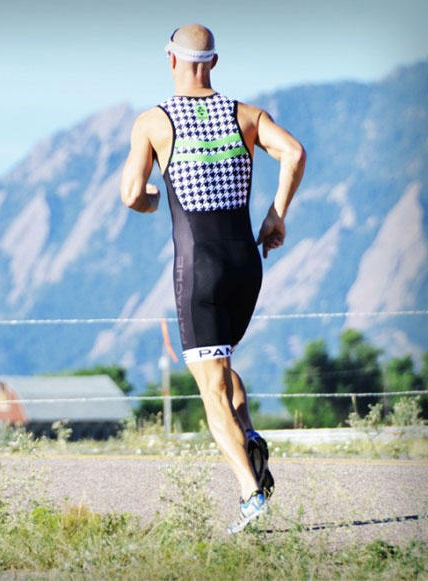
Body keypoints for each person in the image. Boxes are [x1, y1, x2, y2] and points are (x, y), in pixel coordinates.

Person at [121, 23, 306, 533]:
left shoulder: (154, 122)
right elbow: (294, 153)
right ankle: (250, 436)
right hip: (246, 265)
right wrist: (277, 215)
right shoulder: (247, 115)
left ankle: (250, 493)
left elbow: (132, 194)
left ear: (170, 59)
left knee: (211, 388)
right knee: (220, 366)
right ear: (215, 63)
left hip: (199, 268)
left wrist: (154, 199)